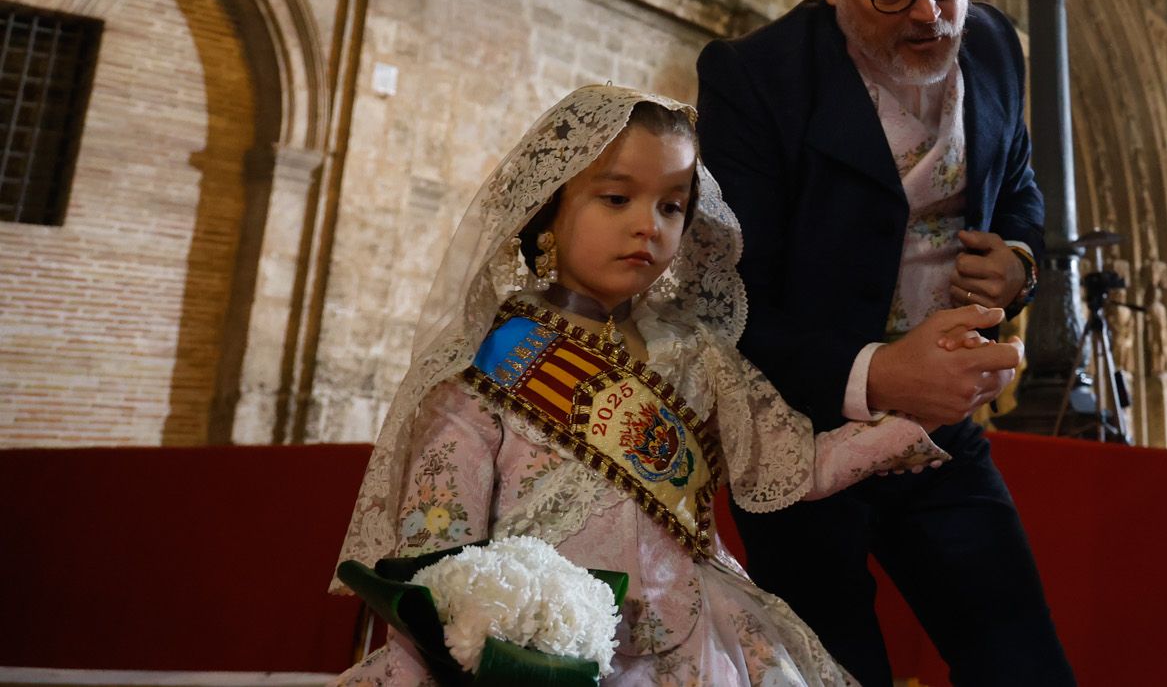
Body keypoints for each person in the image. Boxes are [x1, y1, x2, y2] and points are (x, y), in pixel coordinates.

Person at [332, 86, 952, 686]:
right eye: (616, 199)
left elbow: (788, 466)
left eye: (671, 206)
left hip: (698, 637)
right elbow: (439, 553)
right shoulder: (483, 364)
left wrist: (899, 429)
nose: (647, 227)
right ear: (548, 211)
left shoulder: (694, 352)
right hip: (541, 652)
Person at [696, 0, 1072, 687]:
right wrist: (880, 372)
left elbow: (1020, 183)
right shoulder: (756, 80)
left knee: (1027, 667)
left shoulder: (997, 44)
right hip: (802, 444)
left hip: (945, 439)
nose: (933, 17)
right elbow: (726, 296)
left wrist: (1017, 262)